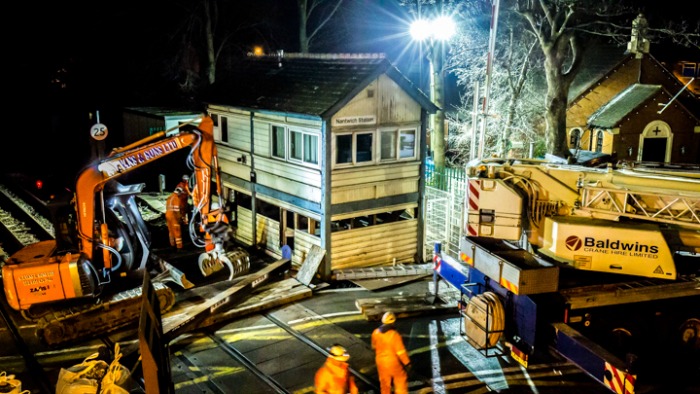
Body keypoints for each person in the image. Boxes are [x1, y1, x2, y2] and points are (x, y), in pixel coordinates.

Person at [371, 311, 411, 394]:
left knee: (385, 383)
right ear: (393, 322)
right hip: (392, 362)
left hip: (380, 361)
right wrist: (407, 363)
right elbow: (400, 352)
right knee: (400, 379)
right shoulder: (394, 335)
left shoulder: (375, 332)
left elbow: (373, 347)